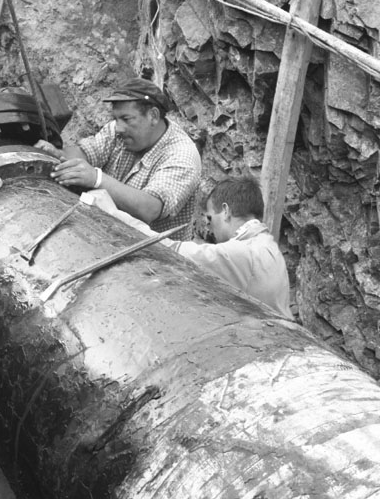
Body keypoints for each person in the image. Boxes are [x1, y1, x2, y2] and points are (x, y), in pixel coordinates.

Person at [36, 76, 201, 239]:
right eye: (115, 119)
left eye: (126, 119)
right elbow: (86, 152)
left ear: (153, 116)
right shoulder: (118, 131)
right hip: (107, 234)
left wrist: (96, 179)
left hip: (153, 254)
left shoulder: (182, 155)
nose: (119, 127)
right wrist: (59, 155)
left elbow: (150, 209)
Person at [168, 176, 293, 319]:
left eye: (210, 218)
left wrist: (137, 227)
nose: (208, 226)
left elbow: (176, 250)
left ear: (226, 211)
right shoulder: (267, 243)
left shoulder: (244, 252)